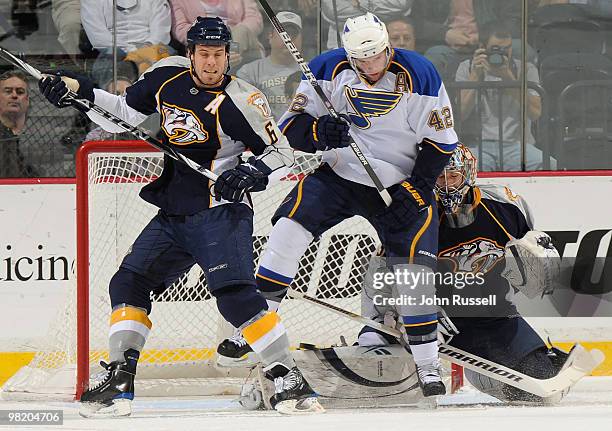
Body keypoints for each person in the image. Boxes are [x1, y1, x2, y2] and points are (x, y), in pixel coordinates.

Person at [38, 16, 323, 416]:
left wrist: (250, 172)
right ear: (189, 53)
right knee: (129, 282)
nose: (211, 63)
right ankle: (120, 378)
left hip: (221, 211)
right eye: (204, 54)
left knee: (235, 297)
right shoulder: (165, 76)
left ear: (229, 55)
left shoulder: (244, 99)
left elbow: (281, 153)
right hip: (173, 210)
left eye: (219, 54)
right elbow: (123, 115)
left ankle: (289, 380)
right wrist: (79, 92)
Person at [219, 12, 459, 397]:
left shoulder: (420, 74)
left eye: (377, 56)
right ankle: (256, 323)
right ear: (348, 55)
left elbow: (441, 142)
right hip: (340, 175)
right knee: (287, 228)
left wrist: (416, 190)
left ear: (387, 47)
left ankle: (429, 365)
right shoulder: (325, 68)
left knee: (413, 272)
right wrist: (320, 132)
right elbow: (292, 129)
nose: (370, 66)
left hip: (401, 184)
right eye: (361, 59)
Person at [358, 144, 569, 404]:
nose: (446, 186)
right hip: (436, 317)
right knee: (389, 338)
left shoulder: (504, 205)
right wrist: (383, 323)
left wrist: (542, 260)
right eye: (439, 177)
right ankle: (381, 347)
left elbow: (528, 251)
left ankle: (484, 375)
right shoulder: (413, 216)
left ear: (468, 174)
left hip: (492, 313)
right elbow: (384, 274)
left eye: (453, 176)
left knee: (545, 382)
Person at [455, 20, 553, 171]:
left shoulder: (526, 69)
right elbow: (460, 115)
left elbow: (535, 113)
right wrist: (475, 76)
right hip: (479, 145)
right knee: (462, 168)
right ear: (482, 47)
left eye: (507, 49)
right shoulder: (467, 68)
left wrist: (509, 79)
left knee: (550, 165)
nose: (502, 54)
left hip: (519, 146)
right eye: (496, 49)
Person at [81, 0, 173, 83]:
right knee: (111, 70)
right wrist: (131, 52)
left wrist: (145, 50)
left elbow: (161, 30)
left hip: (152, 48)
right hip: (113, 52)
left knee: (172, 65)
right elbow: (98, 36)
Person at [236, 11, 302, 121]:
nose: (289, 38)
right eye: (284, 33)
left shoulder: (312, 71)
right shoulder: (249, 72)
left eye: (294, 34)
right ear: (270, 36)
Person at [170, 0, 264, 68]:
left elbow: (255, 19)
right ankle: (223, 65)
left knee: (241, 31)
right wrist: (212, 34)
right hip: (204, 42)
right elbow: (180, 29)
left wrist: (227, 33)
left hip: (241, 42)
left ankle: (223, 65)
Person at [0, 70, 35, 177]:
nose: (14, 95)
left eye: (20, 92)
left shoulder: (38, 135)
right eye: (8, 91)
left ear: (27, 99)